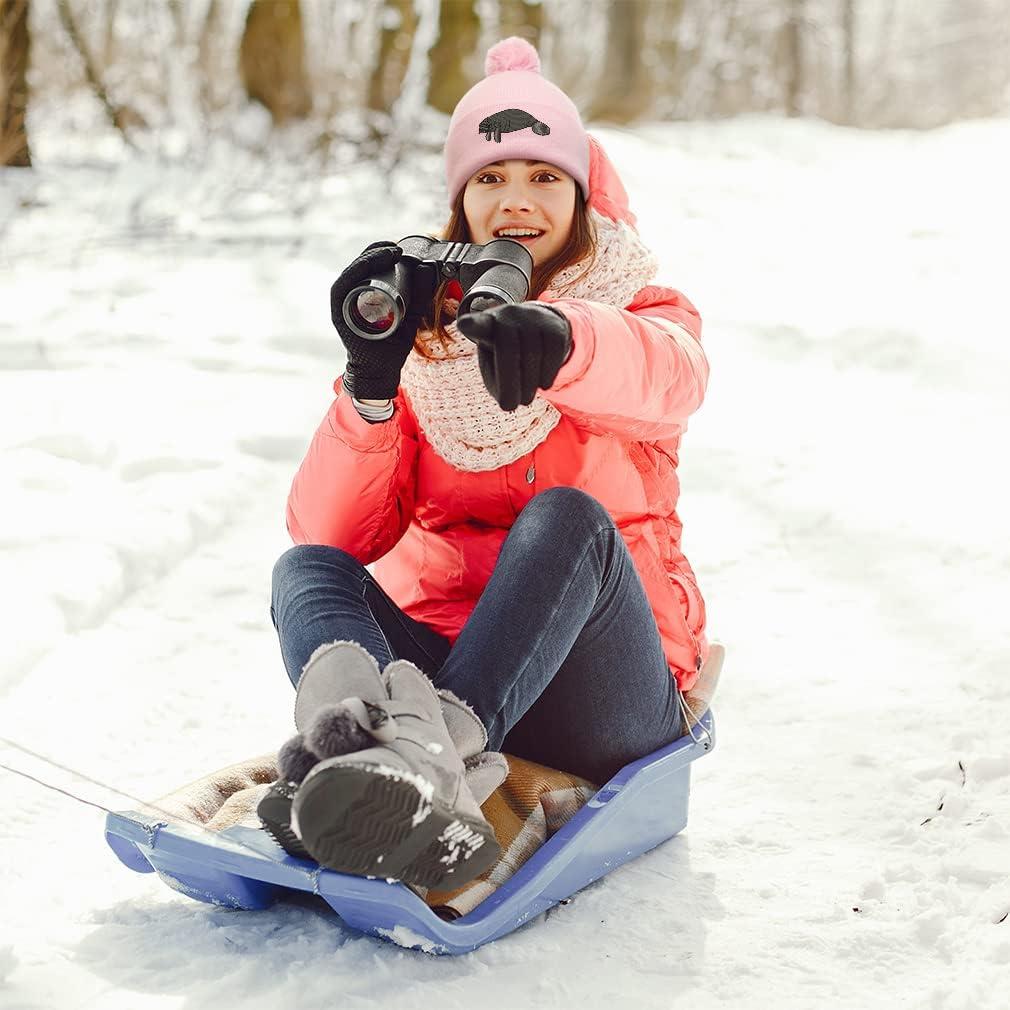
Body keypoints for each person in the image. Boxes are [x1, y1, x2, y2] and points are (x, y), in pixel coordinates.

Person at [262, 37, 711, 890]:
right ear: (460, 201)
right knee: (307, 569)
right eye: (490, 177)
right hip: (452, 662)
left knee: (568, 521)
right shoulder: (425, 337)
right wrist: (370, 390)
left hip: (602, 696)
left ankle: (428, 762)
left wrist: (566, 339)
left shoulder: (641, 307)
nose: (516, 200)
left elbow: (671, 376)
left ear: (581, 194)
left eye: (544, 176)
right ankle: (360, 761)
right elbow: (334, 532)